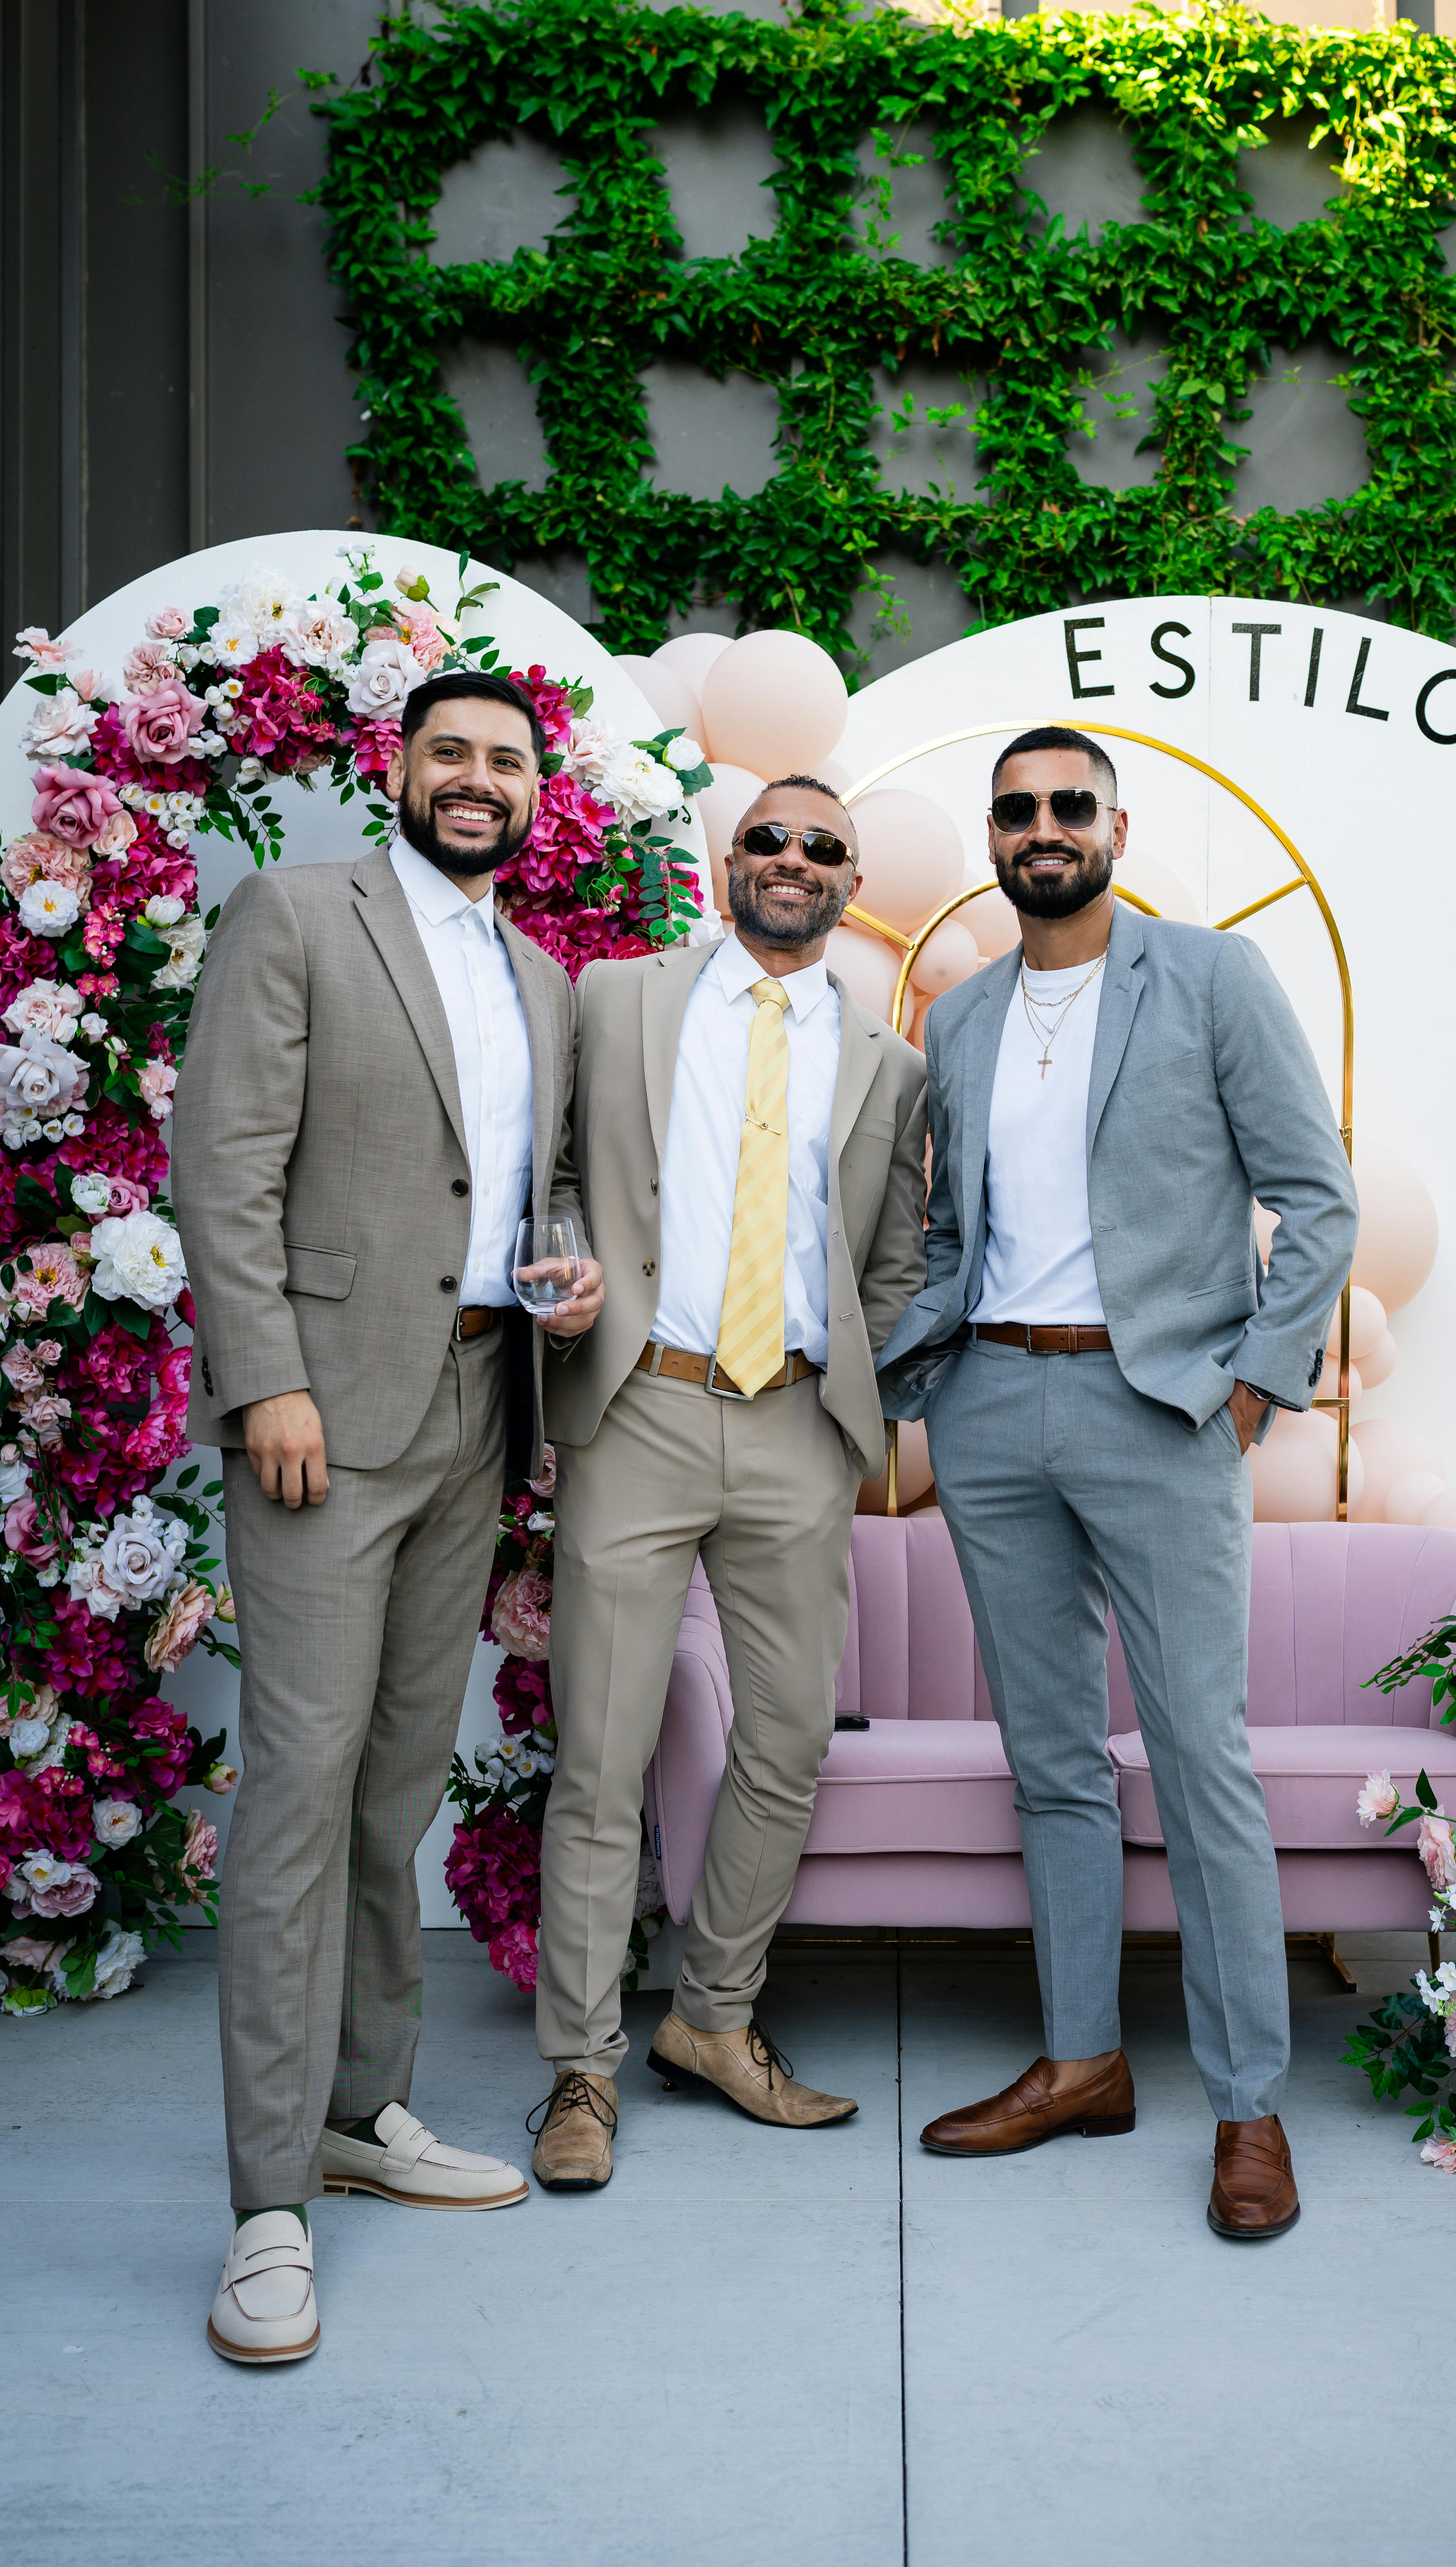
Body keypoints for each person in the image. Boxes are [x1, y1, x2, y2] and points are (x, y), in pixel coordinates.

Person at [173, 668, 603, 2364]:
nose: (478, 777)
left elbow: (531, 1179)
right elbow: (227, 1155)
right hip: (322, 1422)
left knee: (393, 1787)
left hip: (476, 1414)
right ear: (402, 768)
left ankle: (366, 2108)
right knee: (294, 1793)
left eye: (506, 758)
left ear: (533, 790)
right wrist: (262, 1373)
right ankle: (266, 2203)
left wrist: (561, 1272)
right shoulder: (298, 910)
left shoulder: (544, 975)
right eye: (453, 752)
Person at [877, 722, 1358, 2239]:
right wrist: (922, 1370)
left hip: (1158, 1407)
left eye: (1066, 804)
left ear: (1116, 827)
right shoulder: (957, 1020)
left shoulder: (1208, 979)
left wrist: (1246, 1383)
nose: (1041, 827)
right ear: (997, 838)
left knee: (1200, 1761)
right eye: (1014, 809)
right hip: (992, 1409)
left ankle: (1247, 2102)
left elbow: (1318, 1200)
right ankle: (1082, 2057)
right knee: (1051, 1757)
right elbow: (955, 1232)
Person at [525, 775, 927, 2188]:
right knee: (602, 1754)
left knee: (785, 1740)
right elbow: (558, 1168)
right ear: (726, 857)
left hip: (794, 1430)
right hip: (638, 1407)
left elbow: (893, 1252)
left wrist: (849, 1406)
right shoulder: (621, 996)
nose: (793, 861)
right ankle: (579, 2071)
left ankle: (711, 2020)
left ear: (847, 879)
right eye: (769, 837)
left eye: (824, 848)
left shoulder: (884, 1055)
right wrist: (567, 1267)